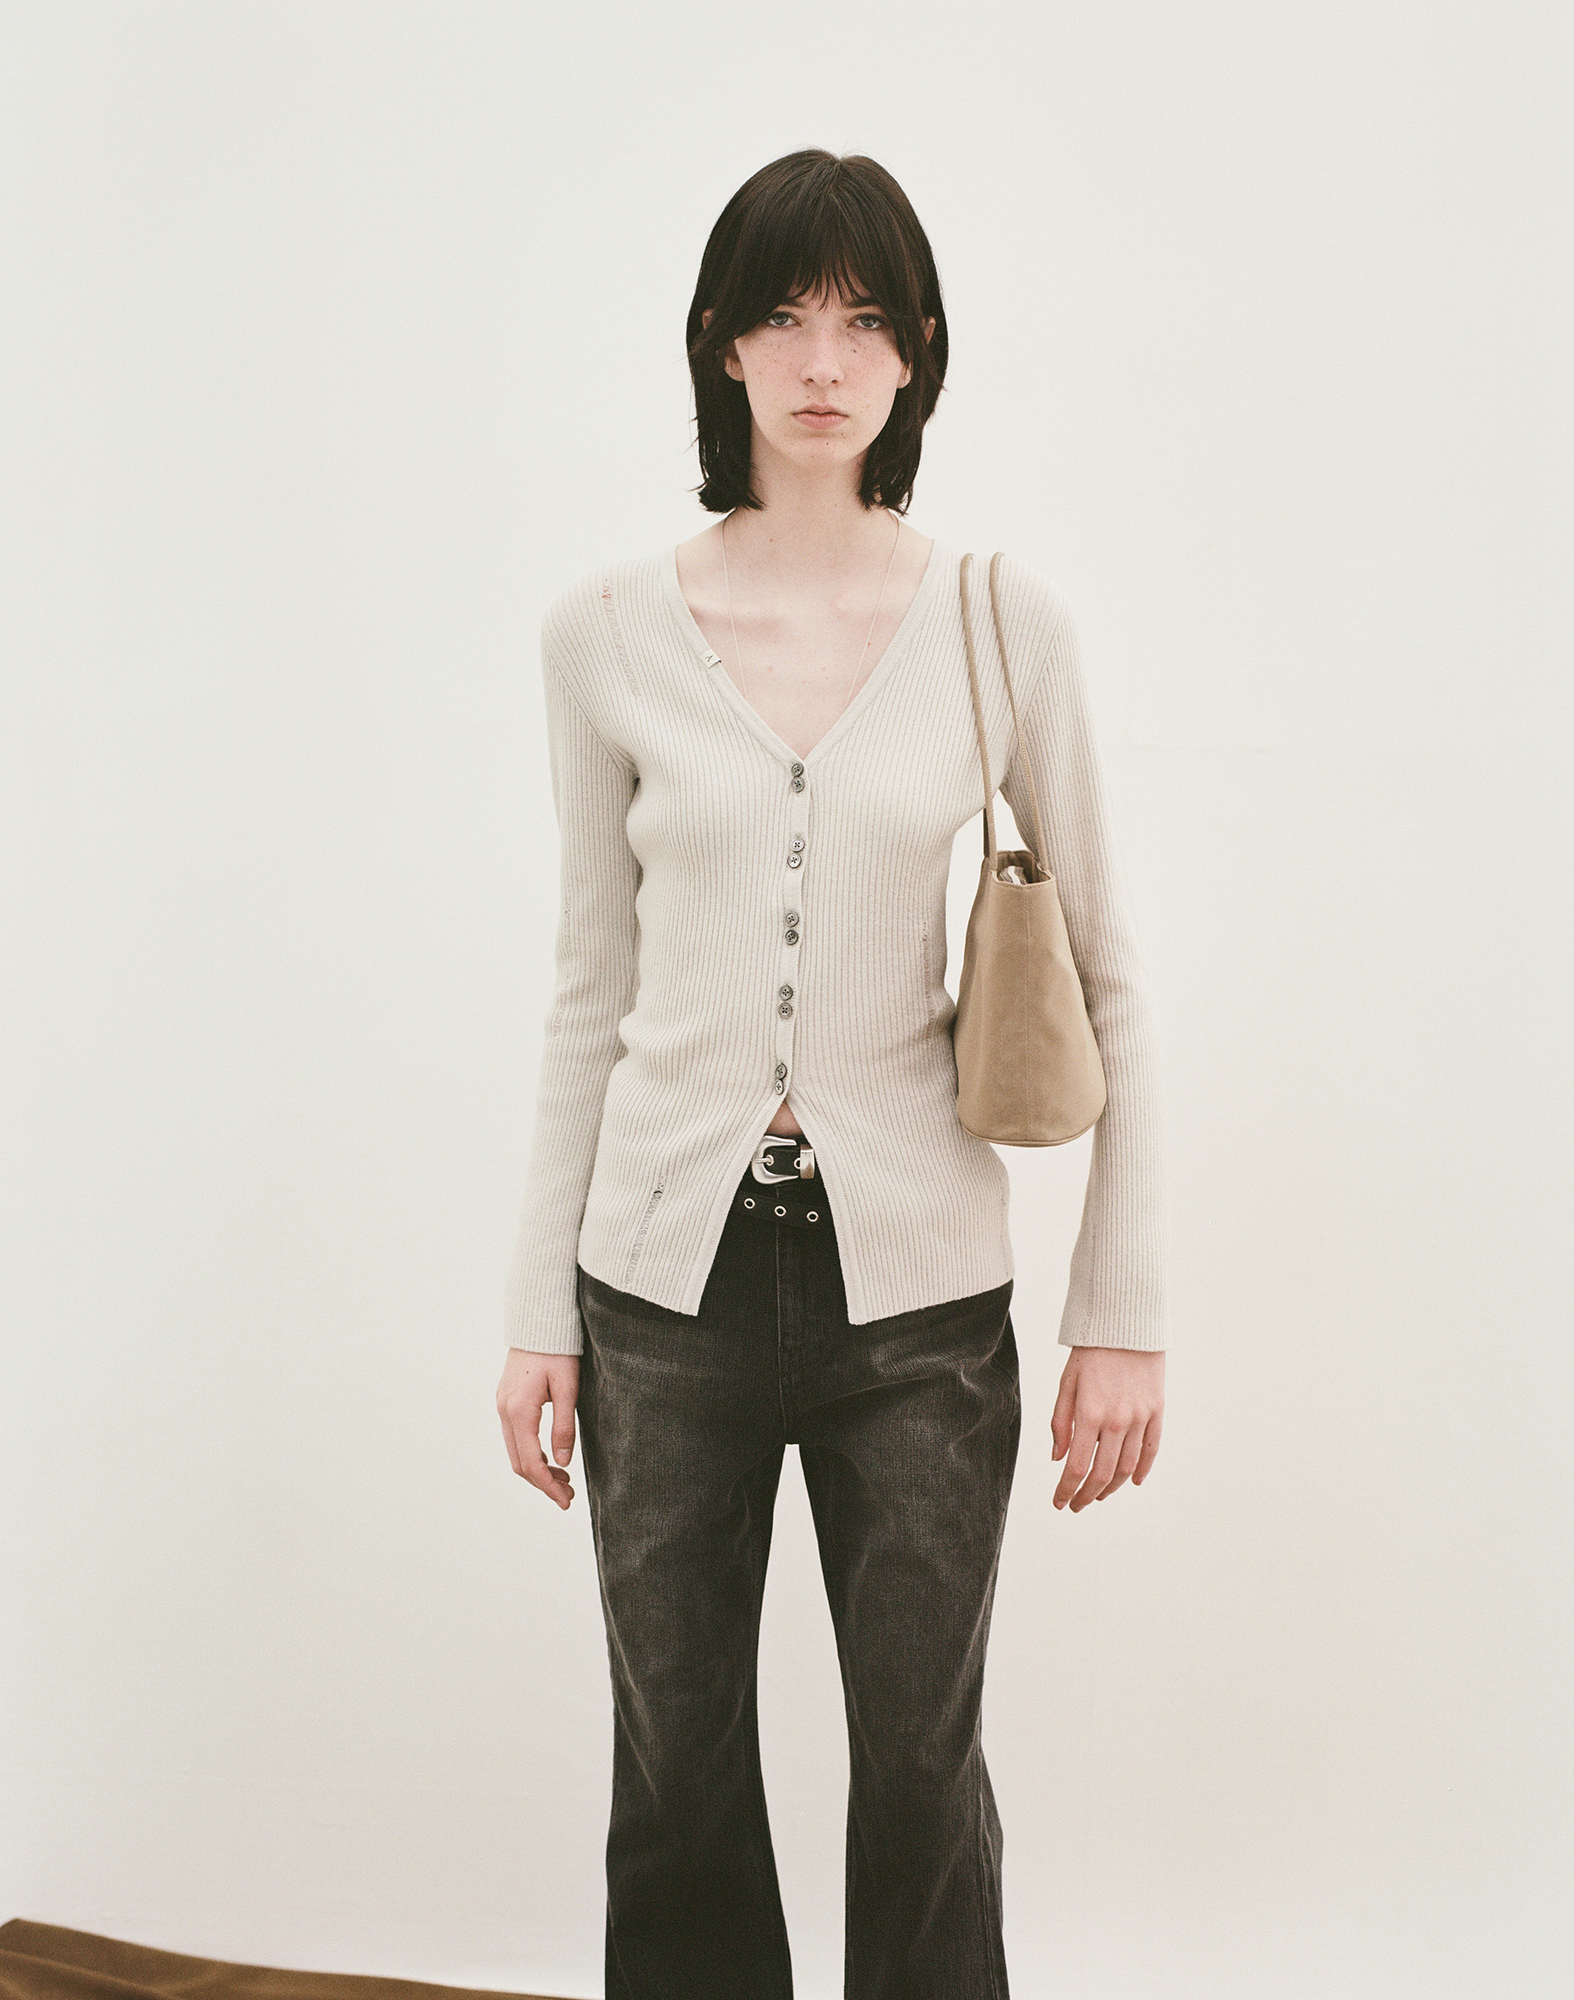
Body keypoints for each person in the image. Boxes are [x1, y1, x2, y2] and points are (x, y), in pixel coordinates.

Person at [495, 148, 1169, 2000]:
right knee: (678, 1783)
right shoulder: (602, 635)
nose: (822, 359)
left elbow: (1115, 975)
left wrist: (1123, 1311)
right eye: (784, 316)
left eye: (866, 320)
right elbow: (586, 990)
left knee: (926, 1783)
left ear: (918, 354)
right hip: (660, 1297)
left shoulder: (1000, 624)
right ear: (719, 344)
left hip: (921, 1310)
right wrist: (536, 1313)